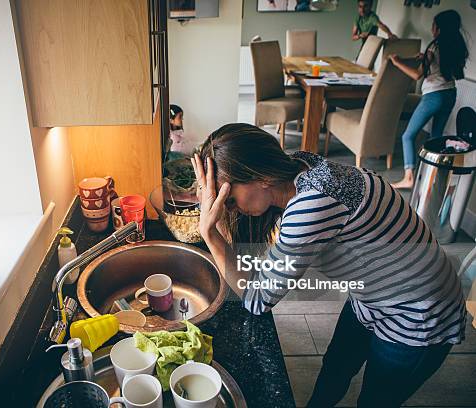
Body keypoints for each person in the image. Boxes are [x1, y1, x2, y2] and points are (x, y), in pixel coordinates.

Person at [191, 123, 465, 407]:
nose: (228, 209)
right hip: (372, 296)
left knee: (375, 399)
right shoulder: (303, 166)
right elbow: (249, 266)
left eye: (229, 199)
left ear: (262, 177)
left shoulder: (311, 206)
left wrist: (210, 231)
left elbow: (257, 298)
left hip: (418, 313)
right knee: (336, 366)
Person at [390, 10, 468, 189]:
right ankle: (433, 176)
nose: (432, 29)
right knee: (436, 136)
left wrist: (396, 62)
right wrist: (425, 58)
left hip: (433, 96)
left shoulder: (434, 47)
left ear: (439, 29)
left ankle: (409, 177)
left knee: (408, 135)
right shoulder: (455, 46)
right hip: (450, 94)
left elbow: (417, 75)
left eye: (434, 26)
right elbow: (443, 66)